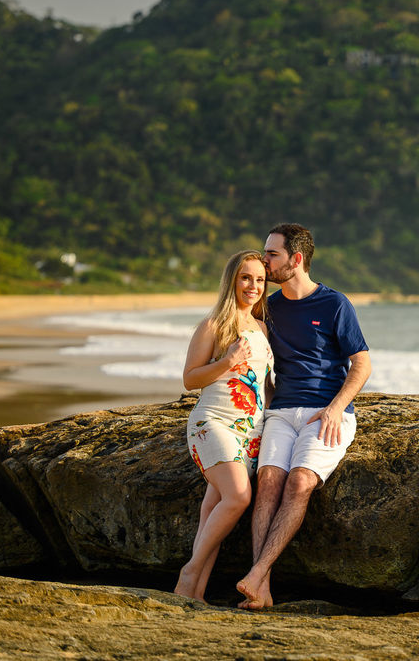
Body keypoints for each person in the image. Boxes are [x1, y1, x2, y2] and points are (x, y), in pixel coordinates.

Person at [236, 223, 371, 609]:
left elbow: (361, 363)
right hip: (281, 411)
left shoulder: (334, 304)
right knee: (268, 483)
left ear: (296, 260)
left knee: (299, 483)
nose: (265, 261)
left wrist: (335, 408)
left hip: (327, 413)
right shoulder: (270, 306)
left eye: (272, 254)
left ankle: (257, 576)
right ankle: (261, 585)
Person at [174, 250, 273, 601]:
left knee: (213, 512)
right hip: (212, 422)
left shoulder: (262, 327)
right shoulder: (213, 324)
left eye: (260, 279)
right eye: (246, 277)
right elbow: (190, 378)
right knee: (238, 496)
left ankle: (193, 592)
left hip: (250, 432)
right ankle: (189, 571)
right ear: (232, 279)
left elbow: (263, 384)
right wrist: (228, 361)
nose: (253, 286)